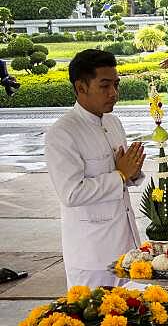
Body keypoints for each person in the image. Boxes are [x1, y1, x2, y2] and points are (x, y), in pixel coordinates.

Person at [45, 49, 146, 287]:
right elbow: (71, 193)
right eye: (104, 86)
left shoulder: (112, 122)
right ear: (81, 88)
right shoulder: (63, 133)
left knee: (135, 318)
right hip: (91, 255)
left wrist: (131, 172)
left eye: (116, 84)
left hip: (127, 245)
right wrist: (120, 175)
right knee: (96, 320)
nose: (114, 93)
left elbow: (122, 177)